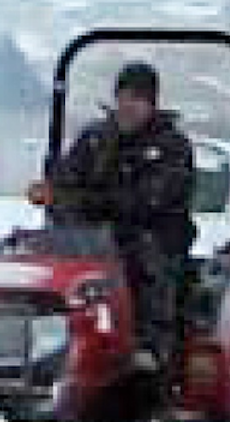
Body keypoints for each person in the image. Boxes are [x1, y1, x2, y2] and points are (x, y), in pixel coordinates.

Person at [27, 62, 195, 375]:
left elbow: (149, 200)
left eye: (138, 98)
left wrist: (87, 203)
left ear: (151, 103)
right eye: (124, 96)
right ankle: (23, 338)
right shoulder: (94, 138)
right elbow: (66, 178)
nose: (128, 105)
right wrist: (53, 193)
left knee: (141, 257)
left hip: (151, 233)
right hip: (89, 234)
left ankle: (149, 345)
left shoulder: (171, 146)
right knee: (27, 249)